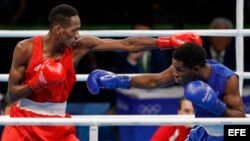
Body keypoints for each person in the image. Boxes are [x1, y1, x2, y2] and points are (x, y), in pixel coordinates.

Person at [3, 3, 202, 141]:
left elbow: (127, 44)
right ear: (57, 30)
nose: (77, 35)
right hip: (24, 121)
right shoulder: (25, 48)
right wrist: (36, 82)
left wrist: (167, 42)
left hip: (57, 122)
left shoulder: (79, 46)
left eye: (78, 29)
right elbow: (12, 93)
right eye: (73, 30)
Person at [87, 42, 246, 141]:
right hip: (202, 129)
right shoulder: (183, 68)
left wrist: (217, 106)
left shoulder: (227, 79)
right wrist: (118, 81)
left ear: (196, 69)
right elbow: (154, 80)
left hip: (228, 132)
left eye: (179, 70)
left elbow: (240, 118)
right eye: (173, 67)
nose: (174, 73)